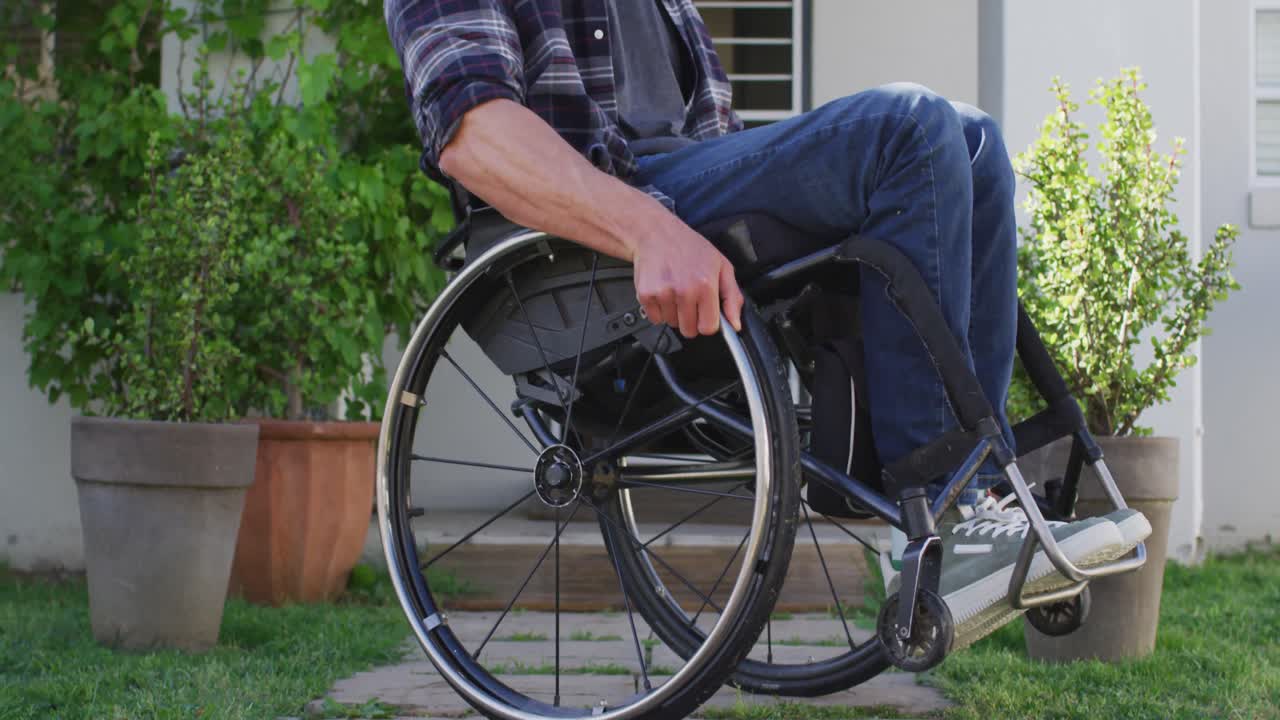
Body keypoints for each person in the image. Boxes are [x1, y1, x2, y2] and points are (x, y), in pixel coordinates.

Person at [385, 0, 1150, 647]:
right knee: (909, 126)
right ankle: (948, 513)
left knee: (971, 137)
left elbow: (722, 144)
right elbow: (473, 137)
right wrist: (647, 230)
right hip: (606, 209)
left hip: (686, 177)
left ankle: (982, 497)